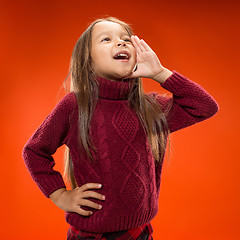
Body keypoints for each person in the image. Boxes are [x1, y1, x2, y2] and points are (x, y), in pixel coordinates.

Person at [22, 17, 219, 240]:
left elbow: (205, 107)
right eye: (106, 39)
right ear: (88, 60)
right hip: (91, 234)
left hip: (140, 233)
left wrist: (160, 73)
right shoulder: (75, 105)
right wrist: (59, 195)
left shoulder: (149, 107)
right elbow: (34, 151)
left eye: (126, 39)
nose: (121, 43)